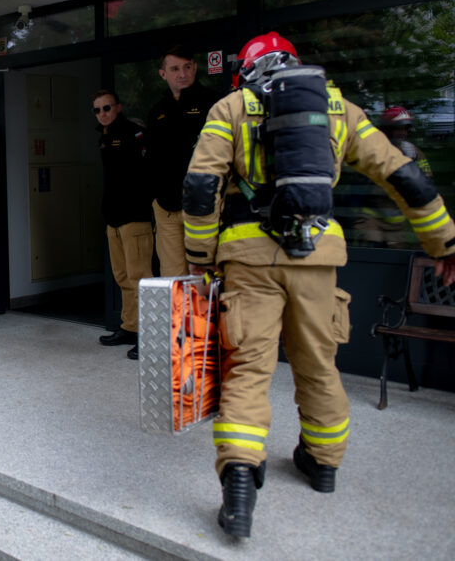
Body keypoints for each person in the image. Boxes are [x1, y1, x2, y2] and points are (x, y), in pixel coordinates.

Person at [181, 33, 455, 539]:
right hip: (318, 257)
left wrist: (201, 260)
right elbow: (403, 175)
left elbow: (200, 188)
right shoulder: (339, 107)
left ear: (246, 69)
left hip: (248, 257)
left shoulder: (231, 106)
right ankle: (323, 463)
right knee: (318, 363)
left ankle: (240, 481)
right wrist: (444, 244)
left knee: (247, 368)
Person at [146, 45, 220, 277]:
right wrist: (155, 197)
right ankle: (181, 316)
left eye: (187, 67)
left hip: (203, 206)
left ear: (195, 68)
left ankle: (207, 315)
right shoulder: (157, 111)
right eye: (175, 68)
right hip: (166, 208)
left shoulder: (214, 104)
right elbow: (151, 158)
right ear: (163, 73)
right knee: (173, 278)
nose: (182, 73)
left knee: (207, 276)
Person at [91, 90, 153, 360]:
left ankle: (148, 336)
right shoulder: (104, 137)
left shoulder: (134, 133)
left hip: (134, 217)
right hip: (114, 219)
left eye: (107, 108)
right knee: (123, 277)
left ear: (119, 107)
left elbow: (147, 172)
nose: (102, 113)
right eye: (97, 110)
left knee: (141, 279)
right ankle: (129, 327)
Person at [353, 106, 433, 247]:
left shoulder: (413, 153)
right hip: (371, 216)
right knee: (371, 249)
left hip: (396, 221)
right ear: (387, 129)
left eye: (406, 128)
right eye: (398, 128)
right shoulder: (372, 150)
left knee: (395, 257)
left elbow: (426, 182)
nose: (403, 133)